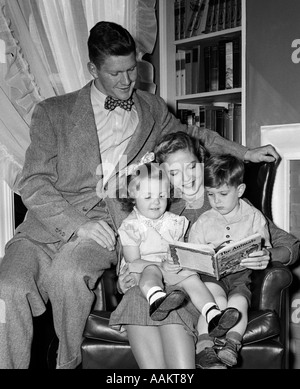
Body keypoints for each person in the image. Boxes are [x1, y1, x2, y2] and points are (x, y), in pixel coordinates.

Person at [0, 20, 283, 370]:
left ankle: (66, 363)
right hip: (47, 224)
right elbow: (33, 182)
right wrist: (77, 224)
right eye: (115, 73)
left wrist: (246, 152)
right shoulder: (52, 112)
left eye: (132, 69)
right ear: (93, 69)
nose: (126, 81)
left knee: (69, 275)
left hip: (107, 223)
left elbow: (194, 138)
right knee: (9, 287)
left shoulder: (150, 108)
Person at [114, 131, 300, 369]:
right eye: (173, 172)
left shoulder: (225, 199)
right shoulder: (157, 206)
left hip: (199, 294)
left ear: (202, 162)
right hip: (155, 288)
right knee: (136, 298)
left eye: (192, 166)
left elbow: (291, 245)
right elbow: (130, 256)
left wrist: (267, 255)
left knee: (173, 303)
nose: (186, 178)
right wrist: (124, 279)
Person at [115, 156, 240, 337]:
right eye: (148, 196)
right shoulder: (131, 226)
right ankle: (157, 299)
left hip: (170, 270)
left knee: (191, 278)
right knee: (151, 269)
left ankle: (212, 313)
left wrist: (182, 263)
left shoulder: (174, 223)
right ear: (133, 198)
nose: (156, 202)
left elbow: (179, 251)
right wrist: (161, 266)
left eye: (161, 196)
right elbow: (133, 262)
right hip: (144, 271)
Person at [188, 154, 272, 368]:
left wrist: (262, 255)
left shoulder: (254, 217)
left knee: (238, 304)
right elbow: (193, 253)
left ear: (240, 190)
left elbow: (266, 248)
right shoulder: (204, 220)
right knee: (217, 303)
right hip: (211, 276)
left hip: (240, 275)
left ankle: (231, 345)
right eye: (211, 194)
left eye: (223, 194)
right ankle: (205, 348)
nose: (216, 201)